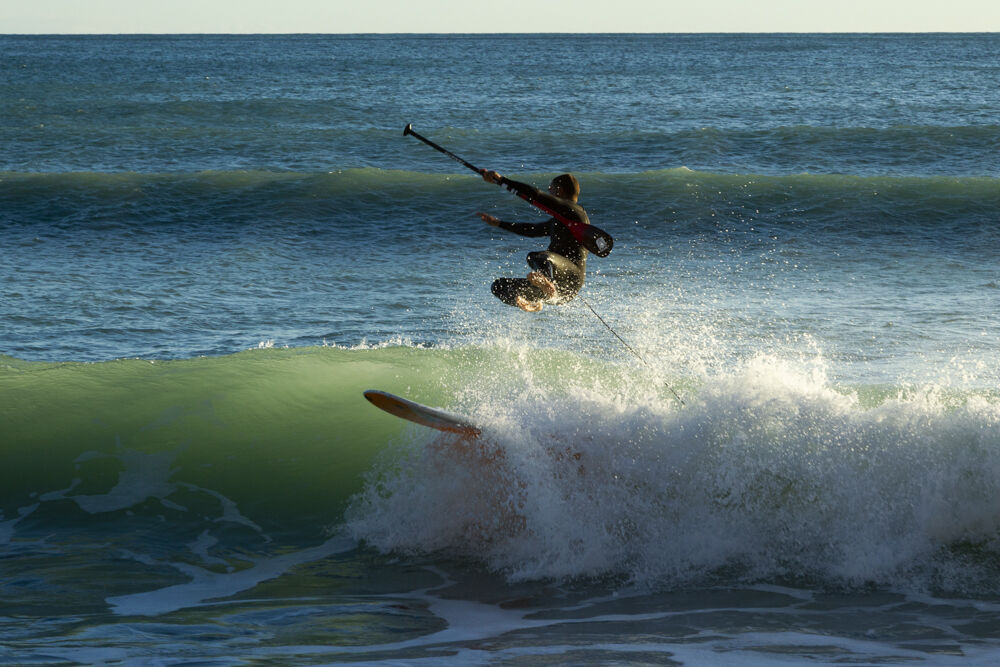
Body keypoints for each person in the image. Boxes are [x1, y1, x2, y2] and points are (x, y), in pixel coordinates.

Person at [477, 170, 589, 312]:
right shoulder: (560, 220)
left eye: (551, 189)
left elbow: (536, 195)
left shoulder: (574, 212)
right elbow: (531, 230)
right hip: (556, 289)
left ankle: (545, 282)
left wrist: (502, 180)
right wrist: (499, 223)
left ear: (559, 191)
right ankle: (526, 300)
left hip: (571, 278)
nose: (549, 192)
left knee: (538, 257)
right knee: (498, 286)